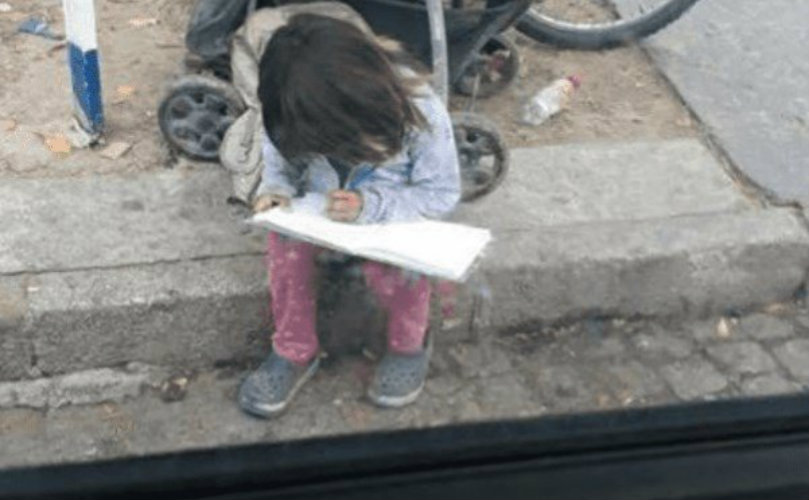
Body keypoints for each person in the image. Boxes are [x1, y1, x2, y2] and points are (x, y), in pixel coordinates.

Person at [238, 13, 461, 418]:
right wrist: (276, 193)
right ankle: (294, 348)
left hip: (390, 223)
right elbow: (279, 163)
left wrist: (371, 206)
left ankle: (408, 344)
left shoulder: (420, 111)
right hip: (322, 221)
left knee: (400, 267)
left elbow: (441, 193)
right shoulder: (291, 107)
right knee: (284, 245)